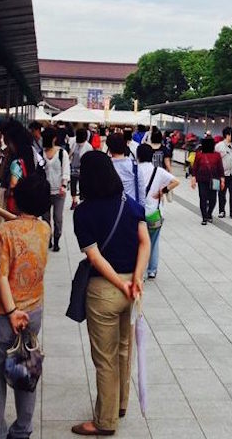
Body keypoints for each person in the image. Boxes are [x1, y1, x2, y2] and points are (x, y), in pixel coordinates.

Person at [71, 152, 150, 436]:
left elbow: (94, 257)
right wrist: (136, 278)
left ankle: (104, 421)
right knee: (124, 349)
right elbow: (145, 242)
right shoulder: (130, 205)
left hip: (105, 291)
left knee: (105, 358)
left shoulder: (83, 212)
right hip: (132, 290)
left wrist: (119, 283)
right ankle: (120, 405)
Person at [0, 174, 50, 439]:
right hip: (33, 311)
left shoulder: (2, 234)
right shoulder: (44, 229)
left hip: (3, 312)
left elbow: (0, 276)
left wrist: (11, 312)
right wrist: (2, 212)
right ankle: (23, 428)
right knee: (25, 368)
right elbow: (24, 224)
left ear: (17, 198)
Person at [137, 144, 180, 279]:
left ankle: (139, 270)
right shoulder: (158, 171)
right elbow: (176, 181)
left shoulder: (134, 169)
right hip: (154, 213)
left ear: (138, 156)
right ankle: (152, 270)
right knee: (153, 242)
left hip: (137, 214)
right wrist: (163, 191)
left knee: (138, 242)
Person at [40, 127, 70, 252]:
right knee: (45, 218)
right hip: (44, 191)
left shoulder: (62, 153)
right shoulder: (41, 154)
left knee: (58, 218)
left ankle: (57, 239)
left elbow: (66, 171)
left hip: (58, 191)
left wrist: (64, 185)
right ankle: (48, 239)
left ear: (54, 139)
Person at [190, 136, 225, 225]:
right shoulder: (199, 154)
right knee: (203, 198)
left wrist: (222, 179)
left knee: (213, 199)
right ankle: (204, 217)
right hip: (202, 180)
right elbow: (195, 167)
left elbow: (220, 168)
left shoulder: (217, 155)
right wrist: (193, 178)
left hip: (215, 179)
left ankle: (209, 213)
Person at [4, 123, 36, 216]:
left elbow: (13, 184)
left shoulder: (16, 163)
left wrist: (7, 192)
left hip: (16, 205)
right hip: (28, 201)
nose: (9, 146)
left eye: (10, 143)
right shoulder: (31, 157)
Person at [107, 132, 146, 203]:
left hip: (112, 206)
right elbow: (141, 190)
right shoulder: (135, 166)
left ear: (109, 149)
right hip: (131, 205)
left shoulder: (106, 166)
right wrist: (141, 207)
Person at [70, 128, 93, 210]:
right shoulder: (75, 144)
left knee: (82, 186)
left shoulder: (88, 146)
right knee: (73, 185)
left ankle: (82, 202)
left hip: (83, 170)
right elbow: (71, 154)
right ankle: (74, 201)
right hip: (73, 168)